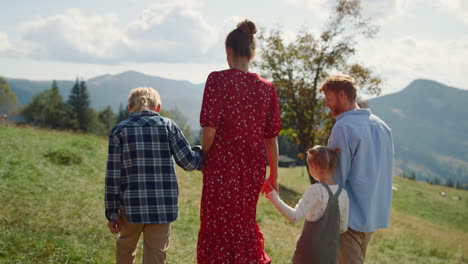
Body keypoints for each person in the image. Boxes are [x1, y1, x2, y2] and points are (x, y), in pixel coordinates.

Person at [197, 19, 281, 264]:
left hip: (221, 165)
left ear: (228, 51)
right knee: (243, 223)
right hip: (253, 167)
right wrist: (274, 175)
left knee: (217, 224)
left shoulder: (217, 80)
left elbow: (209, 131)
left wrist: (204, 155)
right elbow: (271, 138)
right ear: (252, 54)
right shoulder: (267, 88)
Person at [105, 87, 204, 264]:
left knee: (125, 250)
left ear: (130, 107)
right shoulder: (168, 126)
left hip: (130, 207)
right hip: (162, 208)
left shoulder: (119, 131)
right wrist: (201, 154)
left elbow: (113, 176)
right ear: (158, 107)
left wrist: (112, 213)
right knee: (156, 255)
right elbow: (189, 163)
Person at [319, 74, 394, 264]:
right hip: (371, 215)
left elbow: (336, 176)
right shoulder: (382, 126)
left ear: (342, 95)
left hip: (348, 218)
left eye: (328, 99)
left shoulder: (344, 127)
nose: (327, 105)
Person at [265, 146, 349, 264]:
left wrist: (273, 197)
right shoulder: (344, 194)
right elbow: (343, 227)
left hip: (308, 254)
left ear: (314, 166)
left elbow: (294, 216)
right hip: (330, 255)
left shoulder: (315, 190)